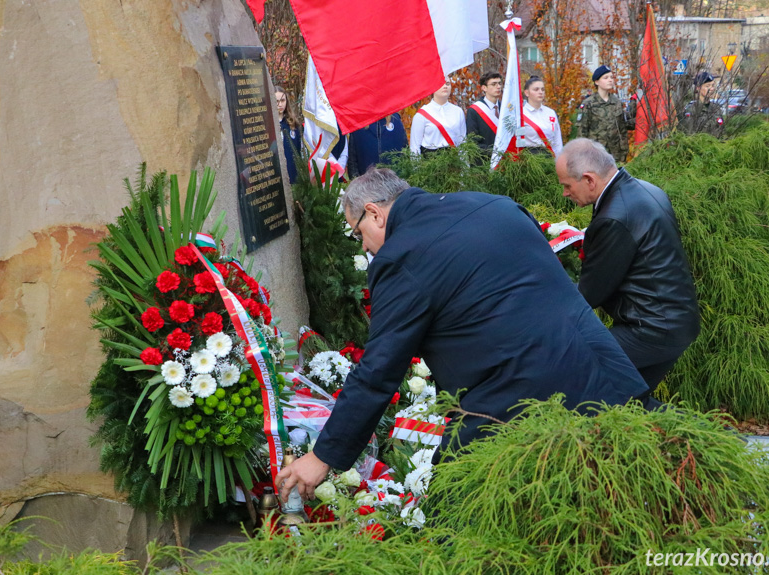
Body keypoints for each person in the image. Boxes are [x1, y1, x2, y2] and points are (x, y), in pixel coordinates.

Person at [276, 167, 650, 502]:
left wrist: (322, 456)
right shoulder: (494, 205)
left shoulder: (401, 257)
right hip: (604, 374)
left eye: (358, 232)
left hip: (516, 401)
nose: (363, 245)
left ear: (374, 213)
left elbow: (378, 371)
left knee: (456, 516)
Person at [555, 138, 701, 390]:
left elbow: (589, 294)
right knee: (629, 402)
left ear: (589, 180)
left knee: (574, 371)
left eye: (567, 185)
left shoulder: (614, 217)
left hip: (651, 330)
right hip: (674, 322)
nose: (565, 193)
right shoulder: (647, 190)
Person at [578, 65, 631, 163]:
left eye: (611, 77)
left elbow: (622, 129)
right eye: (606, 78)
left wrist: (624, 152)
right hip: (596, 155)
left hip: (616, 155)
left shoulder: (617, 102)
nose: (610, 80)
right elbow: (582, 132)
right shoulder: (588, 104)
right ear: (597, 82)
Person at [410, 79, 466, 157]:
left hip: (454, 162)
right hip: (430, 163)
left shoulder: (458, 111)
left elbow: (462, 141)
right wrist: (417, 168)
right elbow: (415, 147)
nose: (445, 86)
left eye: (447, 84)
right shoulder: (421, 114)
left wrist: (465, 167)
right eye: (441, 84)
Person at [347, 113, 408, 178]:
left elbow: (405, 152)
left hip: (394, 182)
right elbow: (352, 160)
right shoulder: (358, 122)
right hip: (366, 183)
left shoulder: (395, 120)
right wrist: (356, 182)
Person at [518, 76, 563, 156]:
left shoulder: (550, 113)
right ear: (526, 93)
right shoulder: (520, 114)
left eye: (542, 89)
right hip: (530, 158)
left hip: (550, 157)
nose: (540, 92)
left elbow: (557, 140)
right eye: (536, 89)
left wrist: (559, 160)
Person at [679, 71, 724, 137]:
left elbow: (722, 132)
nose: (711, 89)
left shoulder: (716, 109)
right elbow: (688, 134)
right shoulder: (691, 110)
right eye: (707, 86)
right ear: (698, 88)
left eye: (712, 85)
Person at [465, 71, 502, 152]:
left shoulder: (505, 108)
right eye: (493, 84)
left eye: (499, 83)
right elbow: (473, 141)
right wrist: (495, 151)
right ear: (484, 88)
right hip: (484, 160)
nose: (498, 86)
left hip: (507, 160)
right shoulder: (474, 110)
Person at [275, 86, 302, 185]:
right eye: (276, 101)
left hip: (294, 173)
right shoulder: (268, 125)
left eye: (282, 100)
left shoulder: (293, 123)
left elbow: (299, 150)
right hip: (277, 174)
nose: (280, 104)